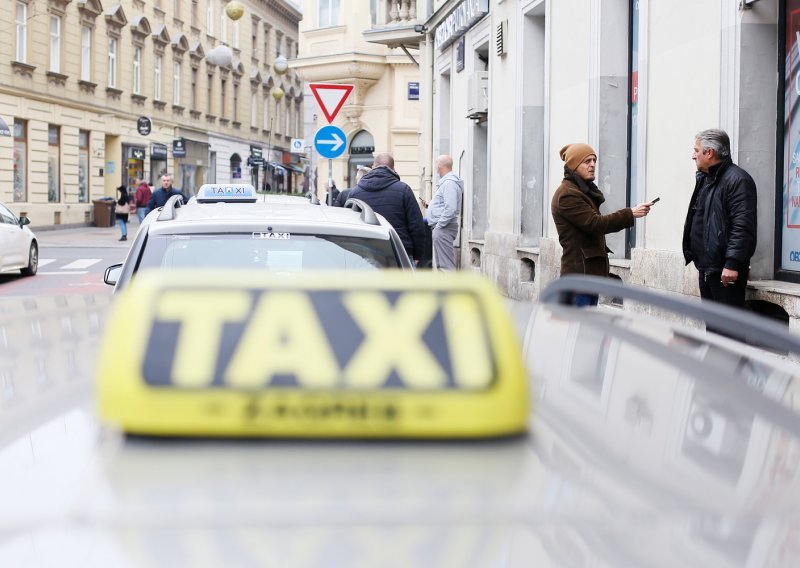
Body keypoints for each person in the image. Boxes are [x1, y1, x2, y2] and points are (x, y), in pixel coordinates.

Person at [551, 143, 651, 306]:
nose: (592, 165)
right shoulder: (567, 194)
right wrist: (630, 213)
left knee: (585, 329)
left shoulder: (581, 191)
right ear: (573, 165)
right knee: (579, 329)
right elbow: (595, 224)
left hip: (587, 279)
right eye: (587, 161)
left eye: (594, 161)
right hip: (579, 280)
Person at [683, 129, 757, 310]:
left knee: (729, 332)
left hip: (725, 272)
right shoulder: (706, 179)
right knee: (714, 330)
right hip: (707, 269)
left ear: (710, 153)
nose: (693, 156)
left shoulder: (738, 180)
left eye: (696, 150)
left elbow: (743, 226)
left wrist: (732, 263)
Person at [349, 153, 427, 263]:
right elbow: (416, 226)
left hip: (366, 253)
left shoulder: (355, 192)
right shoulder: (404, 190)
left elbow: (349, 225)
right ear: (394, 169)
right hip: (400, 252)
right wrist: (417, 254)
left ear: (372, 167)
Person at [420, 155, 463, 270]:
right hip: (443, 227)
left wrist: (439, 226)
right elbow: (446, 205)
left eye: (436, 165)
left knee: (446, 266)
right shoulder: (447, 183)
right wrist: (431, 205)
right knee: (442, 265)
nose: (435, 168)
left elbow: (451, 208)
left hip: (444, 228)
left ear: (440, 166)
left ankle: (450, 288)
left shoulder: (449, 183)